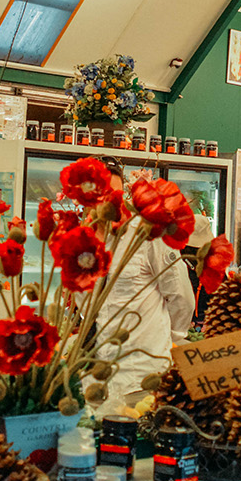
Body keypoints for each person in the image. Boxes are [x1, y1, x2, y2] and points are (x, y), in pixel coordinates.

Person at [92, 157, 194, 415]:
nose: (107, 202)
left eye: (112, 193)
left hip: (144, 375)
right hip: (103, 375)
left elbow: (181, 295)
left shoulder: (146, 232)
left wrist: (170, 343)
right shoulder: (83, 239)